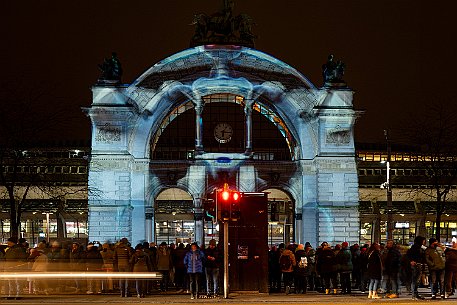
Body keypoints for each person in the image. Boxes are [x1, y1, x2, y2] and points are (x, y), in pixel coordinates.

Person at [407, 236, 427, 300]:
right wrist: (411, 261)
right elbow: (409, 255)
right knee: (415, 280)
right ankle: (414, 294)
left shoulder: (418, 247)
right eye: (423, 240)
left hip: (418, 264)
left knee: (416, 280)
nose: (424, 242)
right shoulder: (416, 247)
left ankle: (415, 294)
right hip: (416, 264)